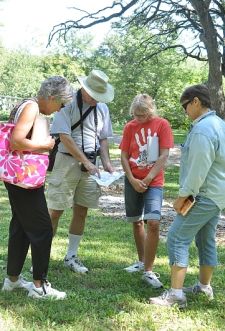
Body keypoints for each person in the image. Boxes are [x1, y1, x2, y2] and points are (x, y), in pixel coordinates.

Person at [149, 84, 225, 308]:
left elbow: (198, 170)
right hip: (217, 195)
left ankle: (175, 295)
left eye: (185, 106)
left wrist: (184, 196)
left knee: (176, 237)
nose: (184, 111)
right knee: (205, 239)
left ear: (195, 102)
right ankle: (203, 288)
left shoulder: (203, 129)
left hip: (202, 194)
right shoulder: (219, 124)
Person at [2, 76, 73, 299]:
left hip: (17, 175)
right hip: (24, 178)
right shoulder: (32, 107)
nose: (60, 109)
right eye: (61, 104)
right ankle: (40, 286)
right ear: (51, 97)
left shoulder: (25, 104)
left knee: (21, 227)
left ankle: (12, 280)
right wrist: (45, 145)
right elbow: (17, 141)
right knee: (42, 229)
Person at [47, 69, 114, 273]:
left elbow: (102, 138)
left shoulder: (102, 108)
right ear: (85, 90)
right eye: (94, 95)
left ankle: (71, 256)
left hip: (91, 165)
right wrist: (86, 162)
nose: (97, 100)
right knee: (55, 210)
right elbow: (65, 137)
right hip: (67, 162)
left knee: (82, 209)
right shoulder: (66, 105)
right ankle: (42, 256)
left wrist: (107, 163)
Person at [119, 93, 174, 288]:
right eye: (135, 115)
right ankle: (141, 261)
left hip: (154, 181)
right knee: (136, 222)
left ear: (151, 111)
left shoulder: (162, 124)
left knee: (153, 222)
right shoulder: (130, 127)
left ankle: (149, 271)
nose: (138, 119)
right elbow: (124, 156)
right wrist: (133, 179)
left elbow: (164, 154)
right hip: (133, 179)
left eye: (142, 115)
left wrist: (148, 178)